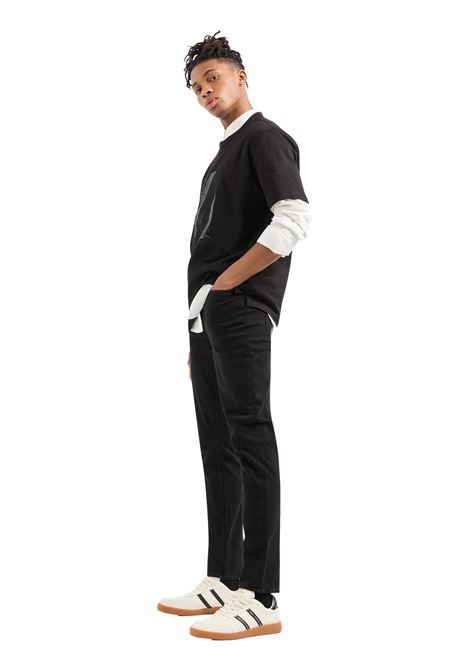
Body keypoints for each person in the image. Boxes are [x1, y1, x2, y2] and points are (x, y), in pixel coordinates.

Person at [157, 30, 312, 641]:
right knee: (217, 446)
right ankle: (223, 577)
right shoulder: (222, 155)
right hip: (210, 318)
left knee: (250, 440)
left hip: (241, 309)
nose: (205, 92)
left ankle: (261, 594)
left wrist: (225, 288)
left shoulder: (265, 138)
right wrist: (200, 321)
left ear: (241, 76)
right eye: (197, 86)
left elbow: (293, 219)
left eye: (213, 78)